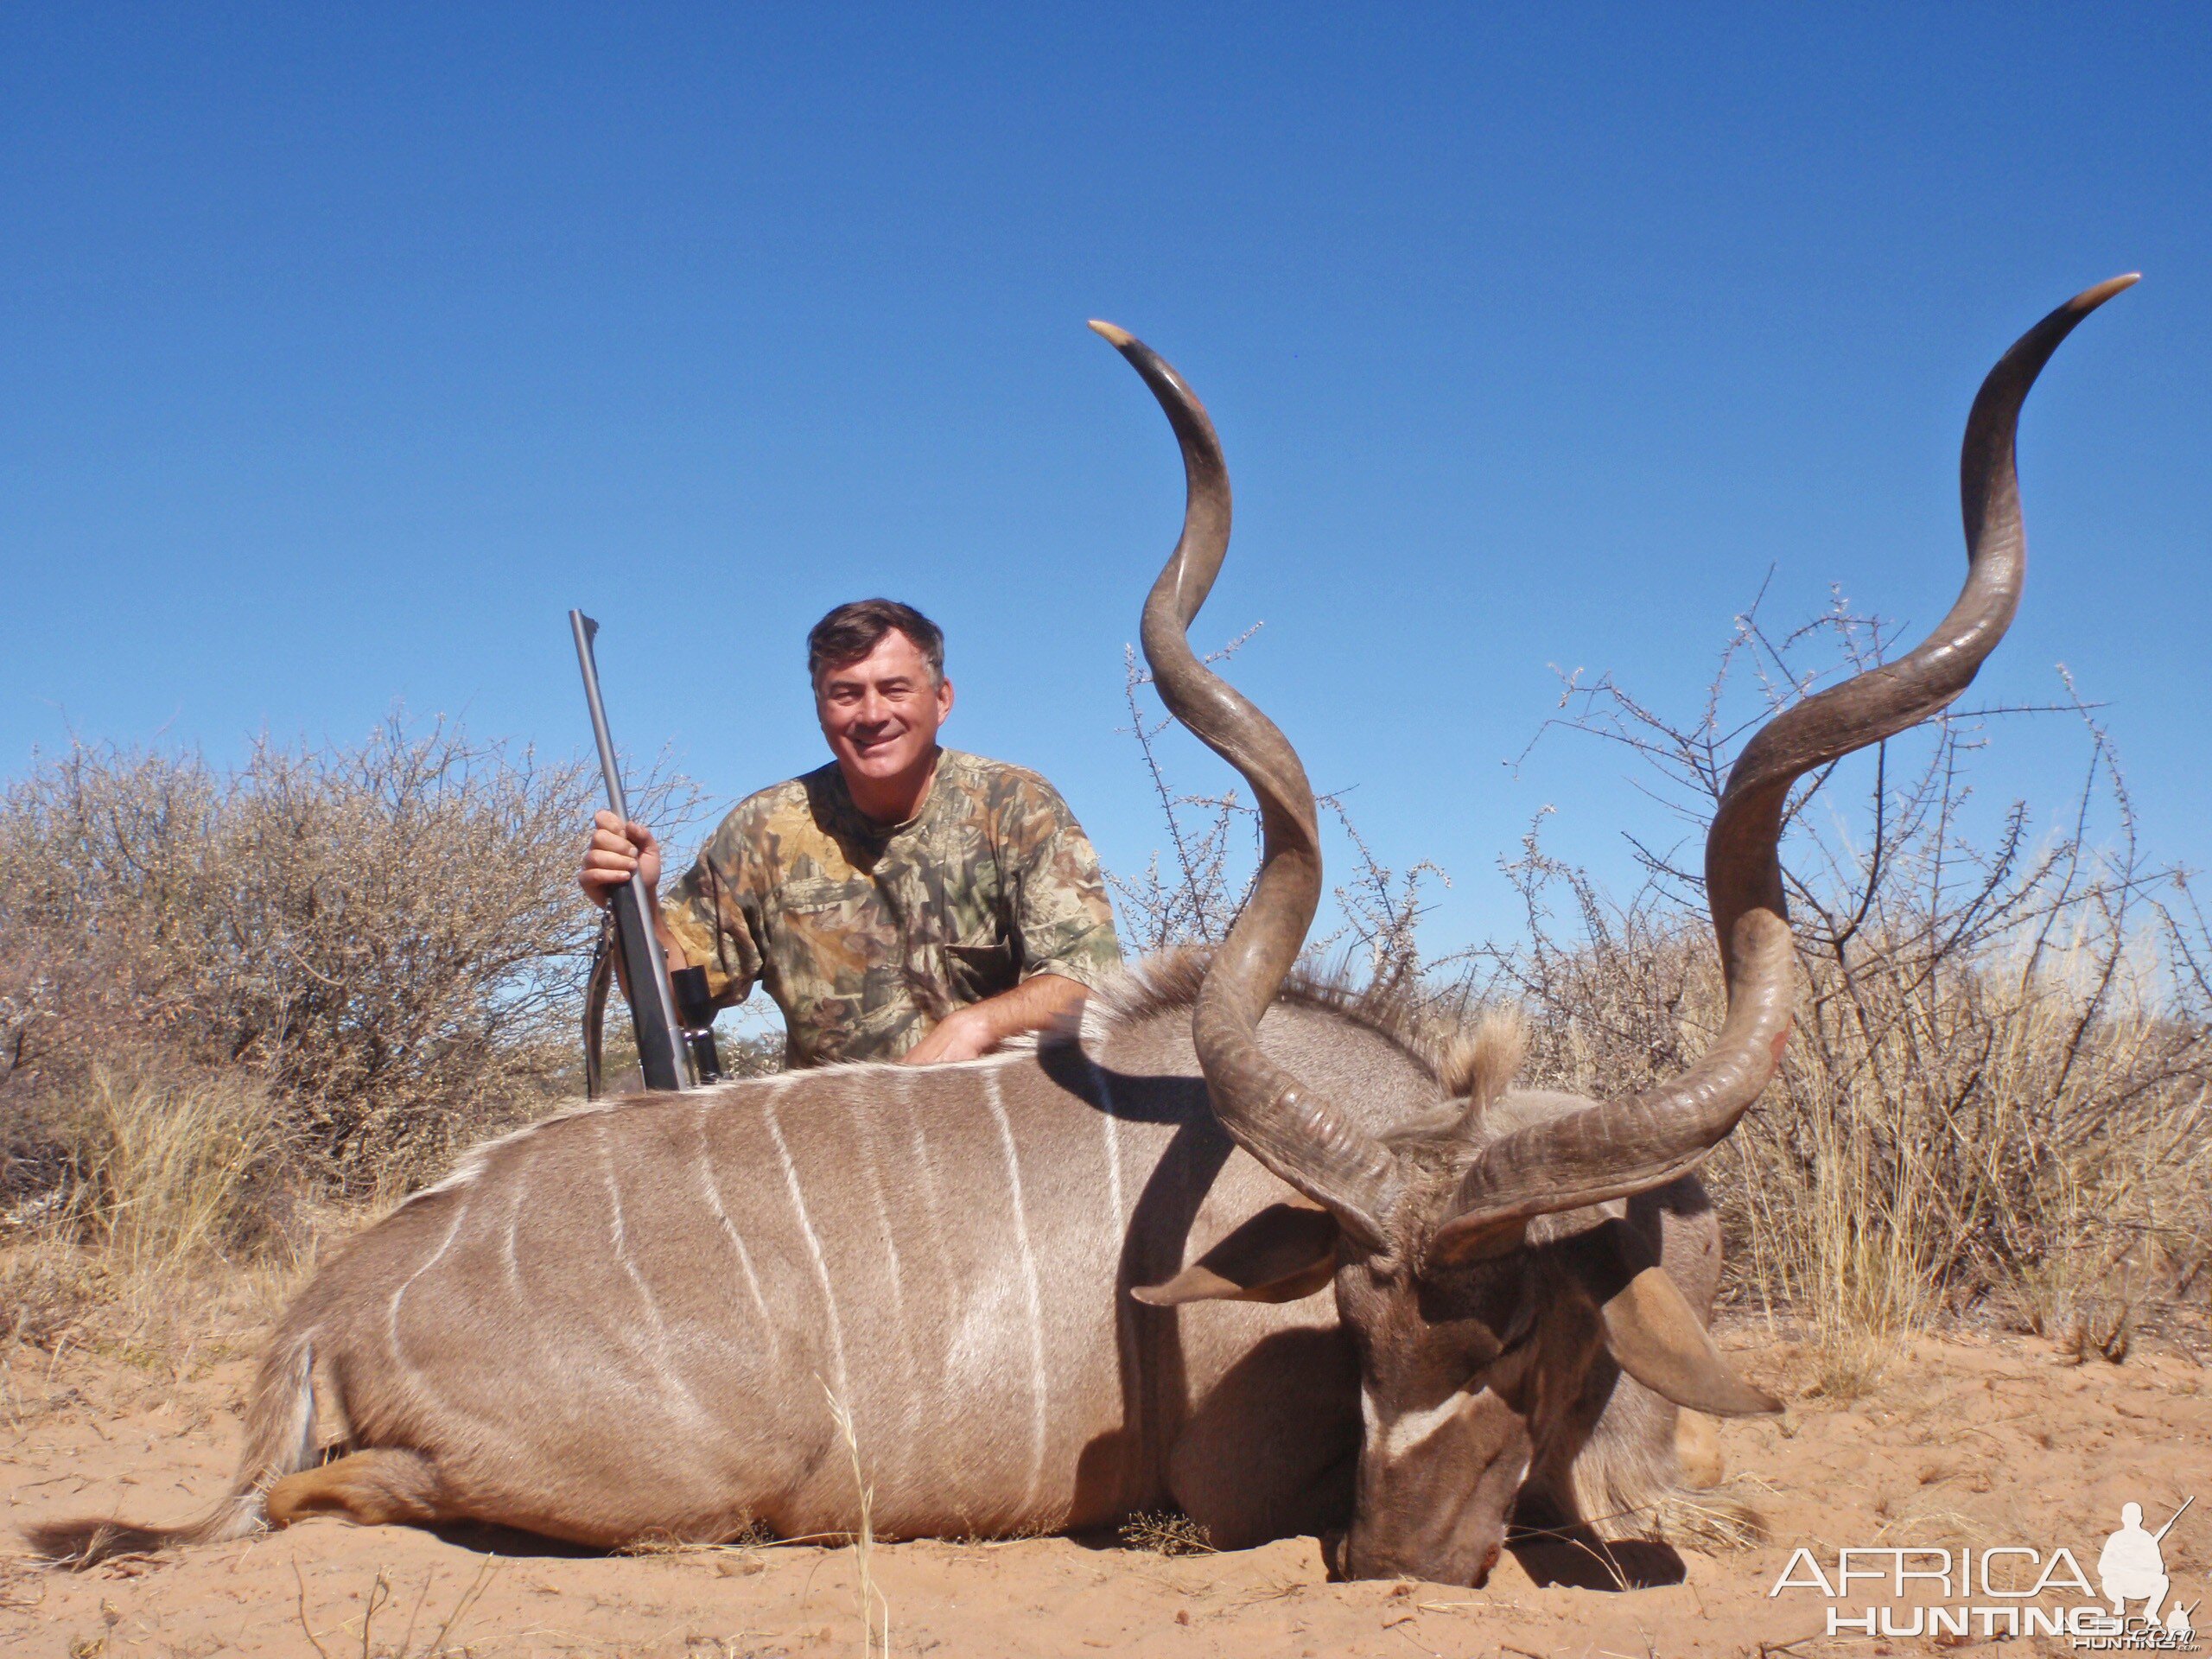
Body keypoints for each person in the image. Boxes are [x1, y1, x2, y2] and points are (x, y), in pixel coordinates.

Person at [579, 598, 1122, 1069]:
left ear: (942, 698)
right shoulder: (763, 828)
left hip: (986, 1131)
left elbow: (1087, 981)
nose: (871, 714)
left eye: (895, 689)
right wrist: (640, 902)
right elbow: (675, 1001)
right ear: (819, 707)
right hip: (838, 1145)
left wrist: (972, 1027)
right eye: (845, 693)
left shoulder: (1016, 804)